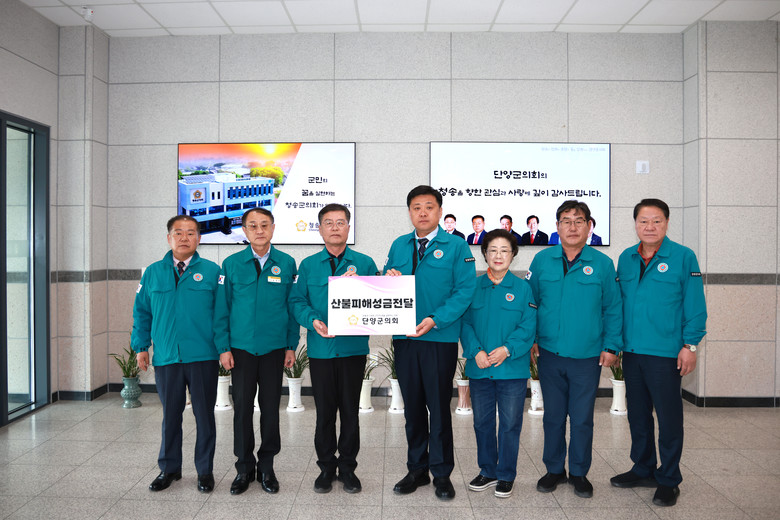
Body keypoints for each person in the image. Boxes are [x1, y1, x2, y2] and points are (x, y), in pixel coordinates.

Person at [610, 199, 707, 507]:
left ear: (666, 223)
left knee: (668, 418)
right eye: (643, 221)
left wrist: (690, 346)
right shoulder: (626, 258)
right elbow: (617, 305)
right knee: (638, 415)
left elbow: (695, 305)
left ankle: (669, 479)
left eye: (656, 221)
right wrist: (615, 344)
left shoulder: (683, 257)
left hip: (666, 353)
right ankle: (643, 468)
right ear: (635, 224)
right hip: (633, 352)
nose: (649, 227)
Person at [384, 185, 476, 500]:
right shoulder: (399, 244)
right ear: (409, 212)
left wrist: (435, 319)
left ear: (439, 211)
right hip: (405, 337)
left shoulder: (456, 246)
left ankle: (441, 473)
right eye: (416, 207)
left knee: (437, 408)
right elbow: (387, 284)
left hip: (439, 336)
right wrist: (388, 278)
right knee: (412, 408)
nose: (422, 212)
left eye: (429, 206)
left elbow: (464, 291)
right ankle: (416, 469)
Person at [526, 200, 622, 499]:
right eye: (566, 221)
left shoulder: (603, 264)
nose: (572, 226)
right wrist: (531, 338)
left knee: (581, 419)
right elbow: (530, 304)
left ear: (589, 226)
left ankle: (579, 472)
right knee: (553, 417)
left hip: (587, 355)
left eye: (578, 221)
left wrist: (611, 346)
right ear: (557, 227)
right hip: (549, 352)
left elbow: (613, 308)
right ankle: (554, 469)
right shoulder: (542, 260)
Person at [289, 203, 378, 494]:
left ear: (349, 228)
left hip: (352, 348)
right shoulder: (308, 265)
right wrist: (312, 320)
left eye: (341, 222)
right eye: (329, 222)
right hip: (321, 350)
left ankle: (348, 469)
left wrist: (365, 286)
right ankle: (326, 468)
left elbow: (378, 301)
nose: (335, 227)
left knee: (350, 412)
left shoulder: (364, 263)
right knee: (325, 413)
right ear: (320, 229)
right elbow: (297, 301)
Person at [131, 215, 221, 493]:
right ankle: (169, 469)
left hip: (202, 356)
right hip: (167, 356)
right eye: (178, 232)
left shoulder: (212, 271)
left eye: (191, 233)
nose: (184, 238)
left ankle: (204, 471)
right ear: (168, 238)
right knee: (171, 416)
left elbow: (221, 315)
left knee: (204, 416)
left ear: (199, 238)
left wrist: (224, 349)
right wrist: (141, 347)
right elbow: (142, 312)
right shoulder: (153, 272)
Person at [214, 208, 299, 495]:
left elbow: (291, 307)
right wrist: (223, 348)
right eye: (253, 226)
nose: (259, 230)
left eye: (264, 225)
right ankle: (243, 467)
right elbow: (222, 309)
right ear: (245, 230)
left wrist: (291, 345)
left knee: (270, 409)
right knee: (242, 409)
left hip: (274, 348)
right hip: (241, 349)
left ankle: (267, 466)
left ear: (273, 228)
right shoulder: (231, 264)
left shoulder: (286, 263)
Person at [461, 229, 536, 499]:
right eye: (492, 250)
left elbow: (528, 326)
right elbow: (465, 323)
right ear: (484, 254)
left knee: (509, 425)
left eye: (504, 250)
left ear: (513, 254)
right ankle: (488, 471)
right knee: (481, 423)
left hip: (511, 369)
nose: (498, 255)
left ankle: (506, 475)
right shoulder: (473, 287)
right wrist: (475, 351)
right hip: (480, 368)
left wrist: (507, 349)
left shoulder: (523, 288)